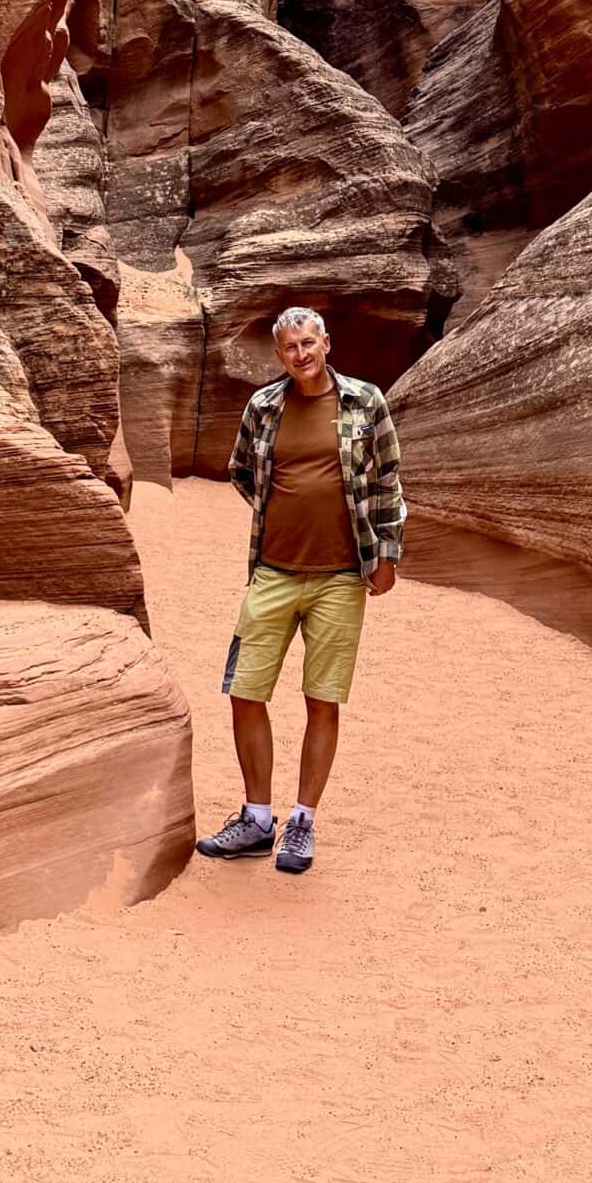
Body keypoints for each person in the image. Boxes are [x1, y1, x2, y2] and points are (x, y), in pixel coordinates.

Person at [194, 306, 406, 876]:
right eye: (290, 347)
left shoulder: (366, 402)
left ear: (327, 344)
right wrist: (283, 510)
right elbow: (242, 470)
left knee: (322, 698)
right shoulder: (264, 407)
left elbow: (387, 478)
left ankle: (302, 822)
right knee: (245, 688)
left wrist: (386, 554)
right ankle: (257, 819)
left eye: (309, 343)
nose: (301, 354)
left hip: (341, 576)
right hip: (273, 571)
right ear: (280, 354)